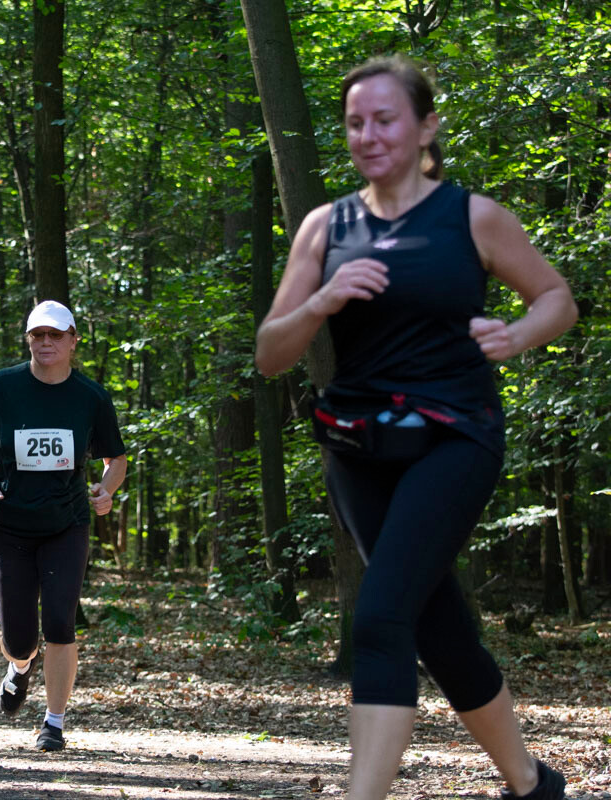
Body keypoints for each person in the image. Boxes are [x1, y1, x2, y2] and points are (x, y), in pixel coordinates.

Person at [254, 55, 576, 800]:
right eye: (355, 122)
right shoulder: (324, 227)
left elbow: (557, 298)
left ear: (426, 126)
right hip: (359, 450)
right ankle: (532, 784)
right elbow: (273, 353)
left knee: (382, 615)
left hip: (455, 437)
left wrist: (518, 335)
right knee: (436, 627)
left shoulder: (472, 217)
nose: (368, 135)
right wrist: (322, 300)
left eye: (385, 118)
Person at [0, 300, 127, 753]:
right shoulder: (1, 386)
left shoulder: (90, 396)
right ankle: (19, 667)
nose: (46, 342)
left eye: (56, 335)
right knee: (19, 638)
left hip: (66, 523)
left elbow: (117, 459)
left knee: (59, 621)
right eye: (38, 335)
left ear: (74, 340)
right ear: (28, 340)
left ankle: (53, 724)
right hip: (8, 524)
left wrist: (106, 489)